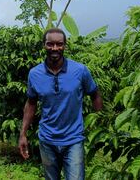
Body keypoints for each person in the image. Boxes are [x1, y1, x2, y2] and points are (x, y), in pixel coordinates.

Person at [18, 28, 103, 180]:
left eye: (59, 44)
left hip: (74, 139)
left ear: (65, 45)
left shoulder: (80, 70)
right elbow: (31, 103)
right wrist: (23, 133)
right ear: (44, 45)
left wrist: (99, 125)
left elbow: (95, 94)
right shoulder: (35, 74)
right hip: (47, 140)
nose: (55, 48)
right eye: (50, 44)